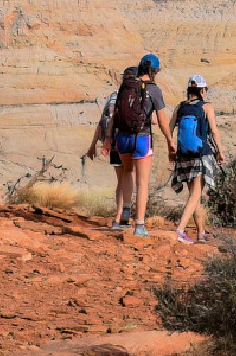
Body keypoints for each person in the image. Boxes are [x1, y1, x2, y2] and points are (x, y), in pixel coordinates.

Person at [110, 53, 173, 238]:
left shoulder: (126, 86)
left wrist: (109, 137)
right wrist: (170, 140)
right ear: (155, 71)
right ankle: (140, 225)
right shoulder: (154, 90)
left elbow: (115, 115)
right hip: (142, 138)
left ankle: (125, 214)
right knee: (143, 182)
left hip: (122, 137)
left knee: (127, 173)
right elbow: (161, 120)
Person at [171, 75, 225, 244]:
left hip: (183, 155)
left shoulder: (180, 107)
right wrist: (221, 152)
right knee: (196, 194)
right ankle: (180, 230)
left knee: (195, 195)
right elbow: (214, 131)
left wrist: (171, 149)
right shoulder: (206, 107)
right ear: (202, 91)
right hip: (200, 155)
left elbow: (170, 128)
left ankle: (201, 233)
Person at [86, 66, 138, 229]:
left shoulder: (114, 97)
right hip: (130, 142)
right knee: (131, 177)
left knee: (120, 180)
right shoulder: (137, 96)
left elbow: (103, 122)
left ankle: (118, 217)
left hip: (114, 144)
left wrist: (94, 144)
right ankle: (127, 218)